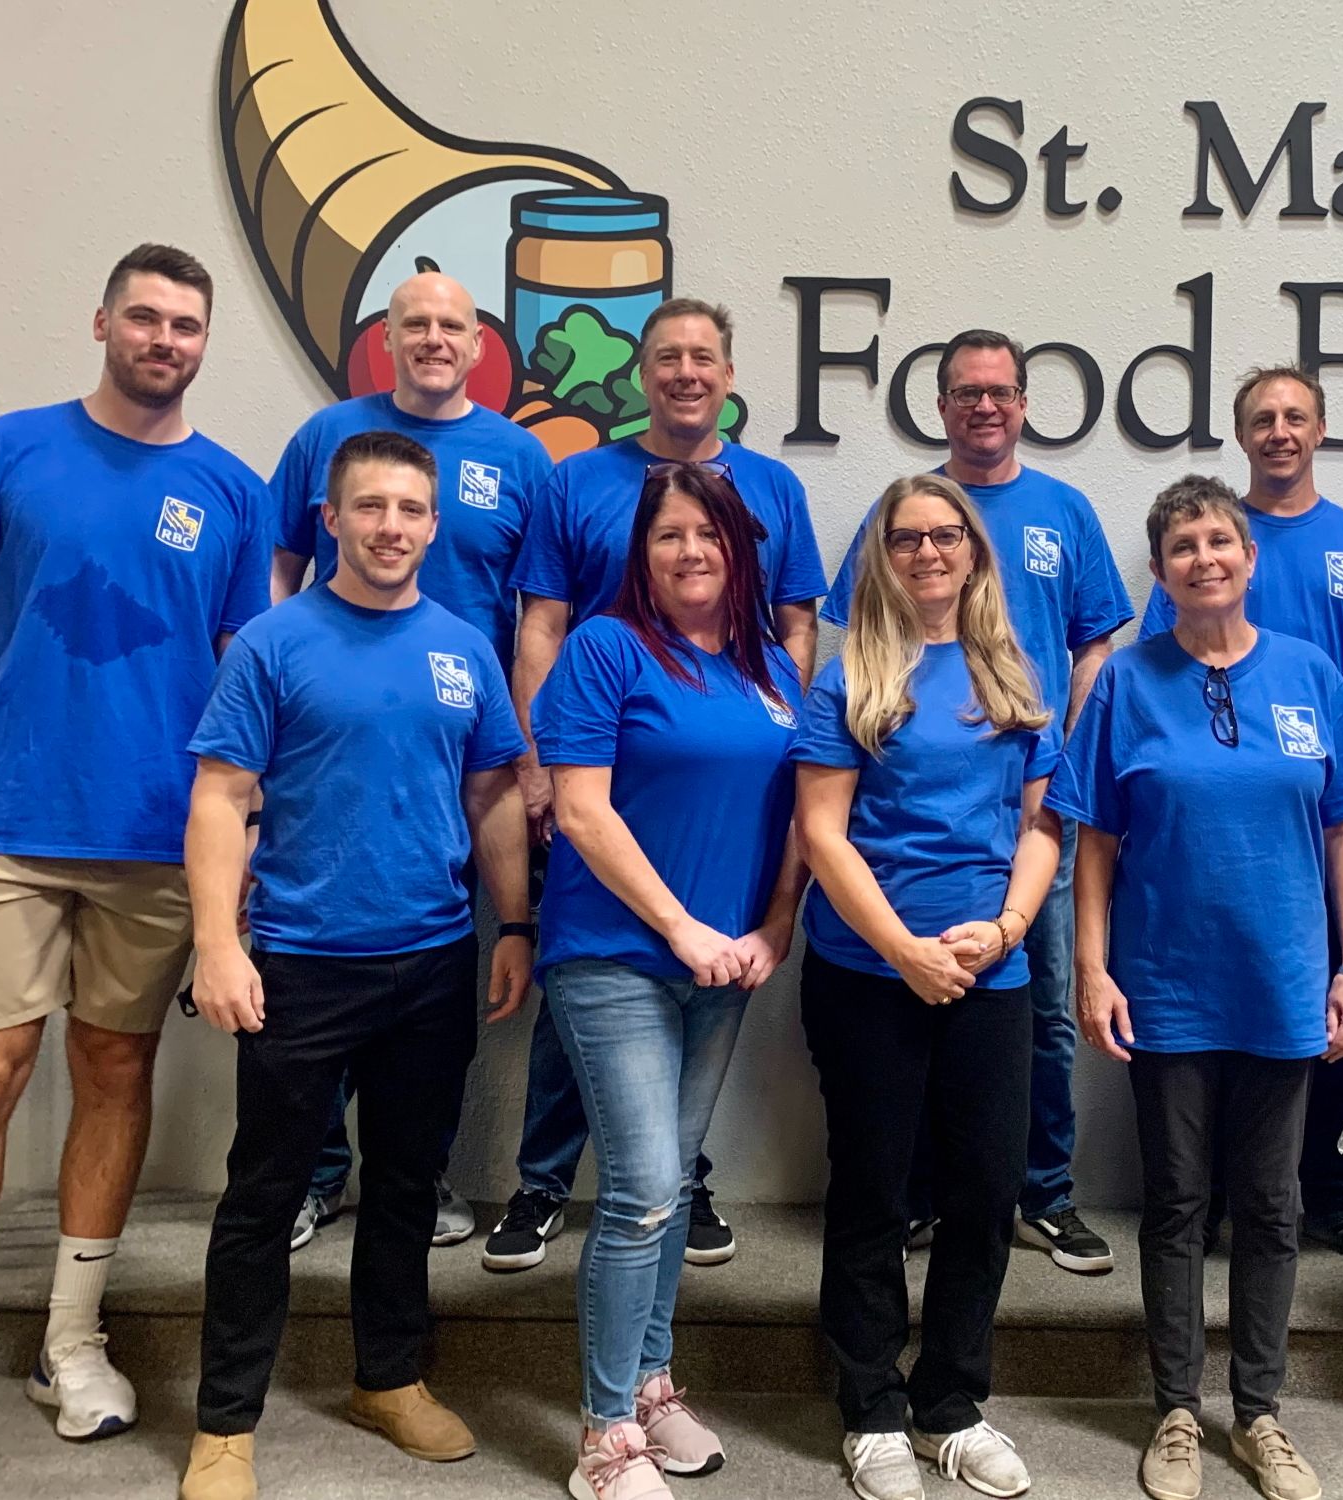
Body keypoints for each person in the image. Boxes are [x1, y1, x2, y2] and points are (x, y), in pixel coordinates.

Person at [0, 244, 270, 1471]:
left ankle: (70, 1341)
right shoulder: (1, 452)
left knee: (114, 1075)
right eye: (144, 316)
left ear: (204, 343)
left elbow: (247, 673)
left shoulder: (232, 492)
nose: (164, 339)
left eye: (186, 324)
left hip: (155, 841)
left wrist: (241, 843)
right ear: (101, 321)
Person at [178, 432, 532, 1500]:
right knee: (263, 1192)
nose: (391, 527)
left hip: (430, 961)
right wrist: (215, 943)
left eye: (410, 510)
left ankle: (388, 1377)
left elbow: (496, 795)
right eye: (369, 507)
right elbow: (219, 798)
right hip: (298, 965)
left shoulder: (463, 647)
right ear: (330, 521)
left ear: (434, 525)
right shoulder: (276, 644)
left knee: (407, 1188)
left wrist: (513, 925)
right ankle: (225, 1423)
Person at [1054, 475, 1343, 1500]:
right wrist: (1091, 967)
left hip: (1284, 984)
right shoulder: (1124, 682)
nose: (1205, 559)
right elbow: (1097, 843)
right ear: (1159, 573)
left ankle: (1259, 1414)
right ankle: (1173, 1411)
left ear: (1249, 560)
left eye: (1220, 542)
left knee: (1275, 1205)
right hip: (1166, 986)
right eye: (1183, 547)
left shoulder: (1310, 674)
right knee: (1176, 1205)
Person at [492, 297, 826, 1273]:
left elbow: (794, 629)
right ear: (644, 373)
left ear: (728, 374)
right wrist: (539, 764)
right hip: (599, 771)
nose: (685, 371)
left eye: (703, 357)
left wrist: (779, 750)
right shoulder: (578, 481)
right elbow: (541, 626)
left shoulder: (770, 487)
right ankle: (544, 1182)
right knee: (587, 976)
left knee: (703, 971)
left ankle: (686, 1177)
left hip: (721, 776)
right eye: (668, 356)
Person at [822, 329, 1131, 1276]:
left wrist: (1066, 762)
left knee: (1029, 1013)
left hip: (1023, 809)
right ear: (942, 406)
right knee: (909, 1016)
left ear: (1025, 404)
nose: (984, 406)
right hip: (912, 797)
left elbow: (1095, 647)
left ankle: (1041, 1192)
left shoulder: (1063, 511)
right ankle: (916, 1197)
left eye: (1000, 391)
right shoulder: (903, 511)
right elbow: (849, 635)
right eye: (965, 392)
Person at [533, 461, 807, 1500]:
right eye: (668, 536)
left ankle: (652, 1386)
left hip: (726, 968)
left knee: (670, 1184)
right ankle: (604, 1435)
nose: (691, 551)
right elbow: (583, 811)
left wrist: (772, 929)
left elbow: (799, 822)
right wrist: (687, 928)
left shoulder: (770, 668)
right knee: (644, 1189)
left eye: (710, 534)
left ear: (742, 551)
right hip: (616, 959)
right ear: (640, 555)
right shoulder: (605, 650)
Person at [267, 269, 551, 1253]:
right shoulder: (328, 437)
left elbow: (537, 615)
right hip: (332, 737)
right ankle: (313, 1175)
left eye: (452, 325)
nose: (434, 337)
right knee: (322, 956)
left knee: (434, 977)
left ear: (479, 345)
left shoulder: (520, 456)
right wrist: (265, 703)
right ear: (387, 337)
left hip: (464, 746)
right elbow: (279, 574)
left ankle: (417, 1175)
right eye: (414, 323)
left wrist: (528, 751)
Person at [797, 474, 1063, 1500]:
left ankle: (951, 1402)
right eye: (906, 539)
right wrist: (906, 947)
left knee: (986, 1194)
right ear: (883, 554)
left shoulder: (1012, 670)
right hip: (870, 970)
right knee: (872, 1191)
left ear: (973, 551)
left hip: (993, 973)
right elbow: (822, 832)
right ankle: (870, 1408)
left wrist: (1000, 931)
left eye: (946, 536)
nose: (927, 553)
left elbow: (1045, 825)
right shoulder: (850, 675)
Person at [1137, 364, 1343, 1277]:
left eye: (1296, 416)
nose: (1280, 430)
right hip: (1226, 827)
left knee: (1340, 1003)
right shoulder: (1208, 539)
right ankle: (1221, 1197)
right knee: (1231, 1017)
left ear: (1322, 430)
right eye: (1262, 417)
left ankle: (1338, 1197)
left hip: (1331, 809)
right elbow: (1157, 670)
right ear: (1242, 434)